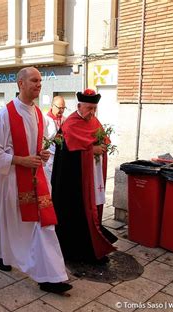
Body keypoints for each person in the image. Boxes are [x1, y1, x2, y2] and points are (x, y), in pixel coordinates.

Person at [0, 67, 72, 294]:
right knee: (6, 221)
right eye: (34, 80)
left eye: (40, 81)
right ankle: (0, 253)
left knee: (44, 225)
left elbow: (35, 146)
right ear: (20, 84)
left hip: (36, 179)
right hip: (11, 180)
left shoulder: (38, 114)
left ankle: (50, 276)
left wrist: (41, 153)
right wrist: (21, 160)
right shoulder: (4, 115)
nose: (38, 84)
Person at [51, 89, 117, 265]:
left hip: (92, 176)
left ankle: (93, 247)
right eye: (89, 108)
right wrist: (90, 150)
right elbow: (66, 156)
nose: (92, 113)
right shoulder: (70, 124)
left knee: (93, 209)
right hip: (74, 183)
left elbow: (104, 140)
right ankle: (77, 252)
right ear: (79, 106)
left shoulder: (94, 121)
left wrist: (102, 146)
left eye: (94, 109)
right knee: (78, 214)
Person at [44, 95, 67, 185]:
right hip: (49, 157)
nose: (61, 110)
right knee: (49, 183)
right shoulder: (45, 119)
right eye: (59, 108)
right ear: (52, 106)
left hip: (60, 156)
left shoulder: (65, 119)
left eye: (63, 108)